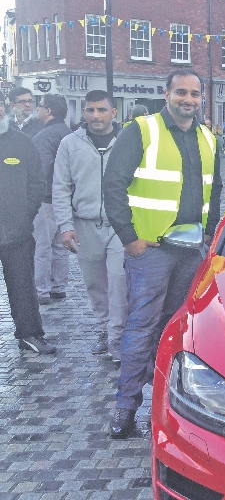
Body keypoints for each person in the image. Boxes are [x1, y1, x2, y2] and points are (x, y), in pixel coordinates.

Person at [103, 68, 222, 439]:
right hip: (151, 250)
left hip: (190, 251)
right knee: (141, 327)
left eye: (194, 94)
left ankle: (170, 404)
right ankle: (126, 406)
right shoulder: (141, 130)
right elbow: (113, 184)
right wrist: (130, 238)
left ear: (202, 98)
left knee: (178, 331)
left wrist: (209, 235)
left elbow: (214, 190)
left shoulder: (207, 137)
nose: (188, 99)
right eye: (181, 92)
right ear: (166, 93)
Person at [52, 90, 128, 363]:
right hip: (84, 225)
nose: (96, 116)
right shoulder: (69, 144)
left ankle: (117, 339)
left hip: (120, 225)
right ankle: (104, 328)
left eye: (102, 110)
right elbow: (61, 187)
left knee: (118, 282)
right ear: (83, 112)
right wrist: (65, 225)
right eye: (91, 110)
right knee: (96, 285)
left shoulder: (127, 141)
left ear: (113, 112)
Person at [0, 95, 54, 354]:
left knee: (23, 286)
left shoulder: (21, 143)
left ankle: (30, 334)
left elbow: (37, 182)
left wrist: (24, 214)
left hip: (16, 232)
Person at [31, 94, 72, 305]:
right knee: (60, 245)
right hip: (66, 198)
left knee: (42, 246)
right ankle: (59, 286)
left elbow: (40, 170)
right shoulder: (70, 133)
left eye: (40, 106)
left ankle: (41, 289)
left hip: (46, 198)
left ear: (48, 111)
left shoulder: (43, 137)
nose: (37, 109)